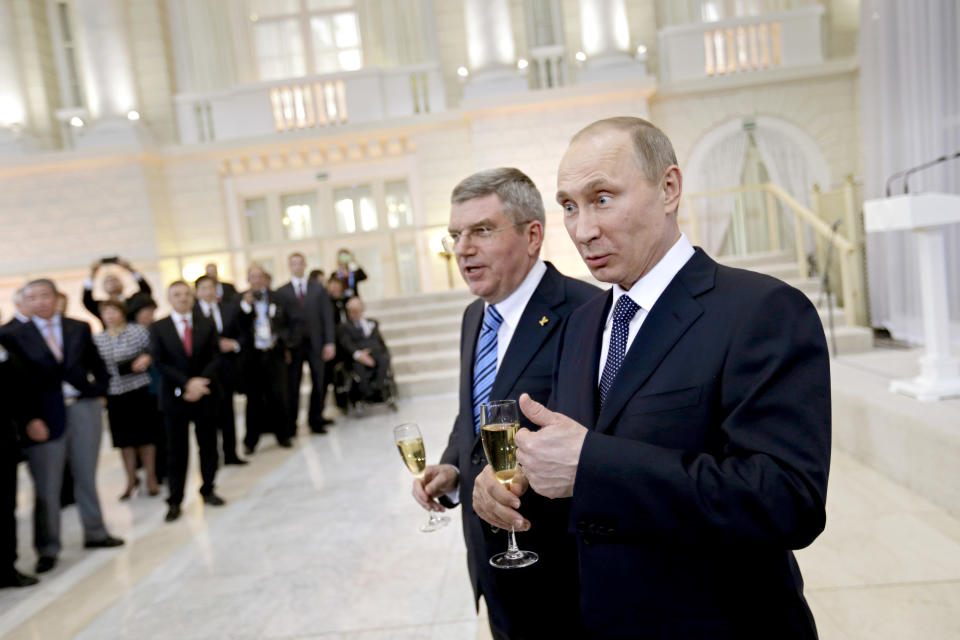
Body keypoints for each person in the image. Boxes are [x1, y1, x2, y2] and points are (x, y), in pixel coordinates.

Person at [492, 117, 831, 638]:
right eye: (569, 206)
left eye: (602, 198)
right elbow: (572, 468)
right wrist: (518, 484)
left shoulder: (761, 310)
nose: (583, 229)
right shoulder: (580, 325)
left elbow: (787, 501)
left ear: (669, 188)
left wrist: (592, 466)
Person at [412, 168, 599, 640]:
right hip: (490, 561)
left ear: (532, 235)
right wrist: (454, 468)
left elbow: (593, 439)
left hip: (563, 570)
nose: (462, 248)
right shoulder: (474, 316)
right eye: (456, 234)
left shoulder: (588, 313)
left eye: (482, 230)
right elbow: (476, 409)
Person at [7, 279, 123, 573]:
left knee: (86, 475)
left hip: (83, 409)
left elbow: (98, 367)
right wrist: (30, 419)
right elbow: (14, 385)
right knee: (48, 486)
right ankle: (47, 548)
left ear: (57, 297)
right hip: (43, 419)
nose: (41, 302)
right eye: (33, 298)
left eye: (46, 295)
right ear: (26, 302)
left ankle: (95, 532)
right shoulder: (13, 334)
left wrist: (99, 393)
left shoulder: (78, 327)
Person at [149, 281, 225, 523]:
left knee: (209, 445)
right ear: (169, 299)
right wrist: (186, 384)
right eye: (177, 295)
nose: (182, 299)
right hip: (175, 397)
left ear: (192, 298)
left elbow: (215, 356)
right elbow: (159, 362)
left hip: (205, 394)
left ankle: (209, 489)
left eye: (186, 295)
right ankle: (175, 500)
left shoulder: (206, 323)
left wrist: (200, 383)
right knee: (176, 452)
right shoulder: (158, 327)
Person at [92, 300, 160, 499]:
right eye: (106, 312)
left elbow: (154, 349)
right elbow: (97, 368)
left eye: (114, 310)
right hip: (115, 392)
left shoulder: (137, 331)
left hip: (139, 387)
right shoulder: (98, 339)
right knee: (124, 440)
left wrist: (146, 358)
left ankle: (151, 476)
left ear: (122, 313)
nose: (110, 315)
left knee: (146, 436)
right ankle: (130, 479)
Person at [0, 333, 46, 588]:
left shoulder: (7, 351)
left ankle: (7, 567)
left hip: (4, 443)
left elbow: (19, 386)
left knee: (6, 508)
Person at [275, 253, 336, 435]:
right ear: (289, 266)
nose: (297, 266)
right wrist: (286, 343)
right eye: (293, 263)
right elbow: (280, 322)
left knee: (319, 381)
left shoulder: (318, 289)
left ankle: (315, 419)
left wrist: (330, 342)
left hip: (316, 343)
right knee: (293, 385)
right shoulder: (282, 292)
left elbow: (327, 317)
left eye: (300, 263)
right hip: (294, 346)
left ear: (305, 264)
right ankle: (291, 424)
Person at [238, 265, 293, 453]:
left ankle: (283, 435)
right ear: (248, 279)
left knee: (279, 396)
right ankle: (250, 441)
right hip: (253, 357)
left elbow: (288, 321)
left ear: (265, 278)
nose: (257, 280)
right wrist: (245, 306)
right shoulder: (241, 300)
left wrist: (284, 341)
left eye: (260, 276)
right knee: (253, 400)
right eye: (253, 277)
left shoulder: (277, 297)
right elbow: (237, 325)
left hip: (274, 353)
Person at [195, 276, 246, 465]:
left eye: (211, 287)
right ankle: (211, 458)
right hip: (204, 372)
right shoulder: (193, 314)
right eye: (204, 288)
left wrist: (234, 344)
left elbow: (243, 334)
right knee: (208, 417)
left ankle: (231, 453)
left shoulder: (229, 309)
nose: (208, 291)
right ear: (198, 292)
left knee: (228, 413)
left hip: (227, 369)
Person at [336, 297, 391, 403]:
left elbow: (379, 341)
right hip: (357, 356)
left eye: (357, 310)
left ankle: (377, 388)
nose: (355, 313)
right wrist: (359, 354)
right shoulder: (345, 327)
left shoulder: (372, 323)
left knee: (384, 359)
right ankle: (366, 393)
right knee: (358, 366)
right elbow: (347, 344)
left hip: (375, 353)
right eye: (352, 311)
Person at [83, 258, 153, 322]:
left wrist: (130, 269)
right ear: (103, 287)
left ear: (123, 284)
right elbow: (87, 300)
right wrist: (93, 273)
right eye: (107, 281)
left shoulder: (134, 301)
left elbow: (145, 292)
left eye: (115, 280)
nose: (111, 282)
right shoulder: (100, 306)